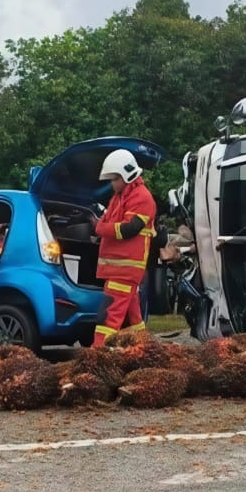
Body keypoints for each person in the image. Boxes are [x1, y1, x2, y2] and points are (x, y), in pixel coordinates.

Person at [90, 149, 156, 348]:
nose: (112, 183)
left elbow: (129, 229)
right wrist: (98, 226)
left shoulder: (142, 198)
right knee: (134, 318)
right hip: (118, 270)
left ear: (127, 175)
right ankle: (145, 349)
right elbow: (107, 221)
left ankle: (97, 354)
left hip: (125, 270)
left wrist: (99, 228)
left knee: (108, 317)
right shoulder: (118, 198)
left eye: (115, 178)